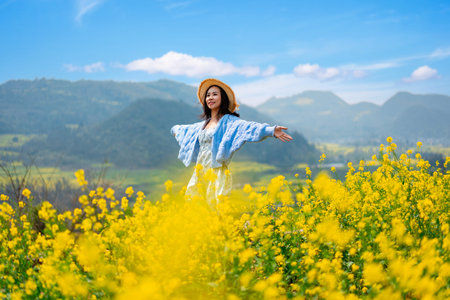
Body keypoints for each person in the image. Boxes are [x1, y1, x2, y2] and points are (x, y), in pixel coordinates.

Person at [171, 78, 293, 205]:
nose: (210, 98)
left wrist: (271, 130)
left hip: (216, 172)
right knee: (194, 208)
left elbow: (248, 128)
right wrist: (175, 130)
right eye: (208, 95)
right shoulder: (203, 124)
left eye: (214, 94)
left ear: (222, 98)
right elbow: (186, 130)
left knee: (216, 209)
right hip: (200, 173)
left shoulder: (229, 122)